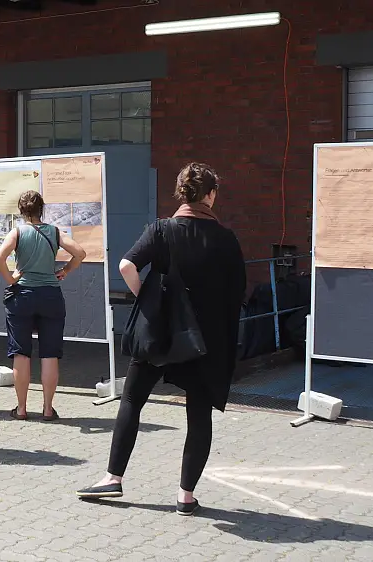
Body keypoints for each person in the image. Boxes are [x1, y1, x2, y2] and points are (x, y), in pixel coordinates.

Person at [76, 163, 247, 516]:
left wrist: (148, 303)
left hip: (160, 333)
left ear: (180, 193)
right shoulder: (226, 239)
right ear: (211, 195)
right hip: (203, 339)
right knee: (199, 415)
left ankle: (113, 478)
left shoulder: (161, 230)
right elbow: (237, 293)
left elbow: (126, 266)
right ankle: (185, 497)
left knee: (132, 400)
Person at [0, 190, 86, 421]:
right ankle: (47, 409)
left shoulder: (17, 232)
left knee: (21, 354)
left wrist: (11, 279)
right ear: (41, 209)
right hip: (50, 296)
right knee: (49, 353)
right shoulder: (54, 232)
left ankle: (22, 408)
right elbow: (80, 253)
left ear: (21, 211)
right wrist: (64, 271)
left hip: (21, 296)